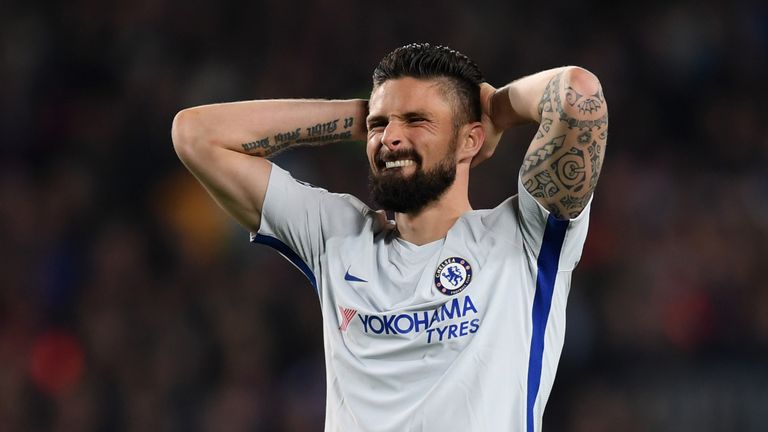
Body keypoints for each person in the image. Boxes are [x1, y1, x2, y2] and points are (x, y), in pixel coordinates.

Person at [171, 43, 608, 432]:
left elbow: (579, 93)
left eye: (418, 120)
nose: (391, 137)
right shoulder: (337, 236)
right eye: (381, 124)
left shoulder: (524, 237)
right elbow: (195, 135)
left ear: (469, 141)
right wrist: (360, 117)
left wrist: (494, 109)